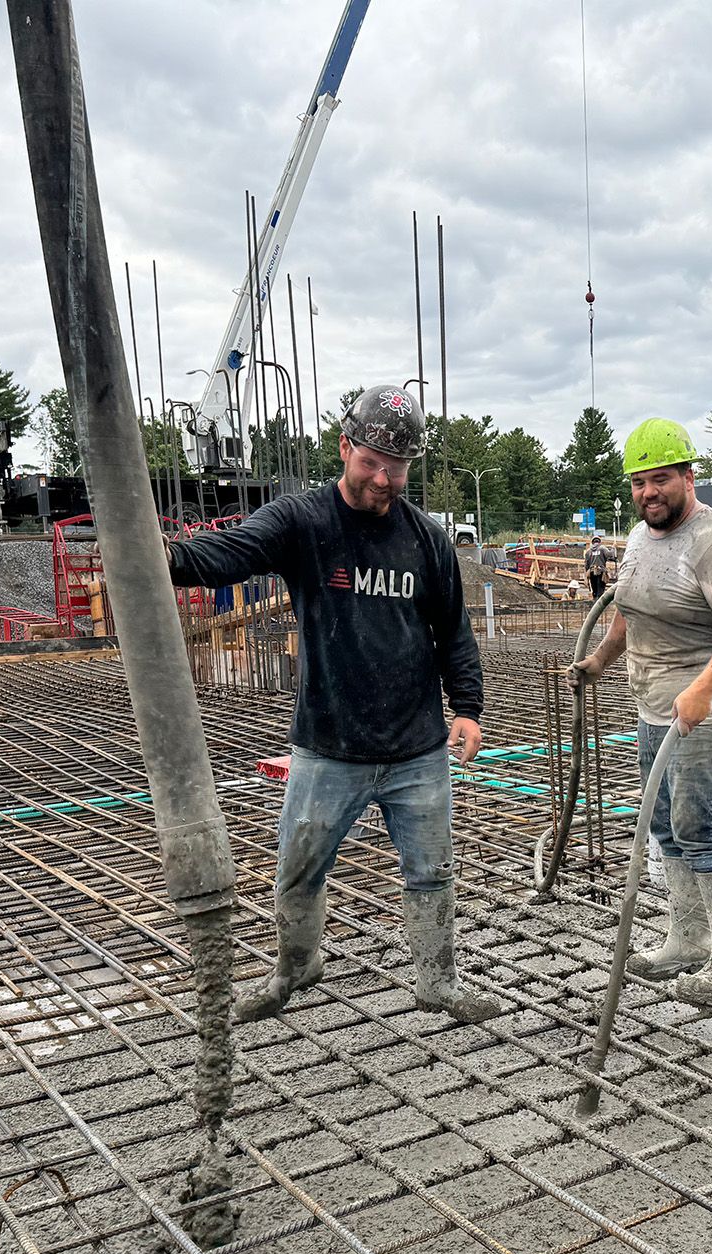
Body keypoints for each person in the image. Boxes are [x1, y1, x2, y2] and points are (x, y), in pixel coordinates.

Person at [166, 384, 500, 1023]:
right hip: (329, 746)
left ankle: (436, 980)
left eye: (397, 468)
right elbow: (232, 551)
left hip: (416, 749)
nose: (383, 477)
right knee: (298, 871)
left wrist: (467, 708)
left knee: (432, 873)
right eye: (371, 461)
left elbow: (453, 630)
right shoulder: (304, 522)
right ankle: (296, 966)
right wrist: (164, 558)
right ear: (345, 447)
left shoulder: (426, 539)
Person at [574, 417, 712, 1006]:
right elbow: (632, 610)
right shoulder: (639, 538)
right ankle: (688, 940)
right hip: (654, 707)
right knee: (663, 825)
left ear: (688, 476)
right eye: (638, 483)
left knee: (700, 827)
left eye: (660, 480)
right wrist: (601, 659)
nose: (648, 493)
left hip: (709, 714)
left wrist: (705, 688)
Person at [584, 534, 613, 599]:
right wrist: (613, 548)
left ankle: (594, 602)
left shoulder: (588, 551)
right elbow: (610, 555)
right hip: (601, 572)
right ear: (599, 542)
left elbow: (586, 565)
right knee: (600, 591)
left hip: (591, 572)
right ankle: (599, 604)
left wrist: (586, 576)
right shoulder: (602, 548)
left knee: (594, 590)